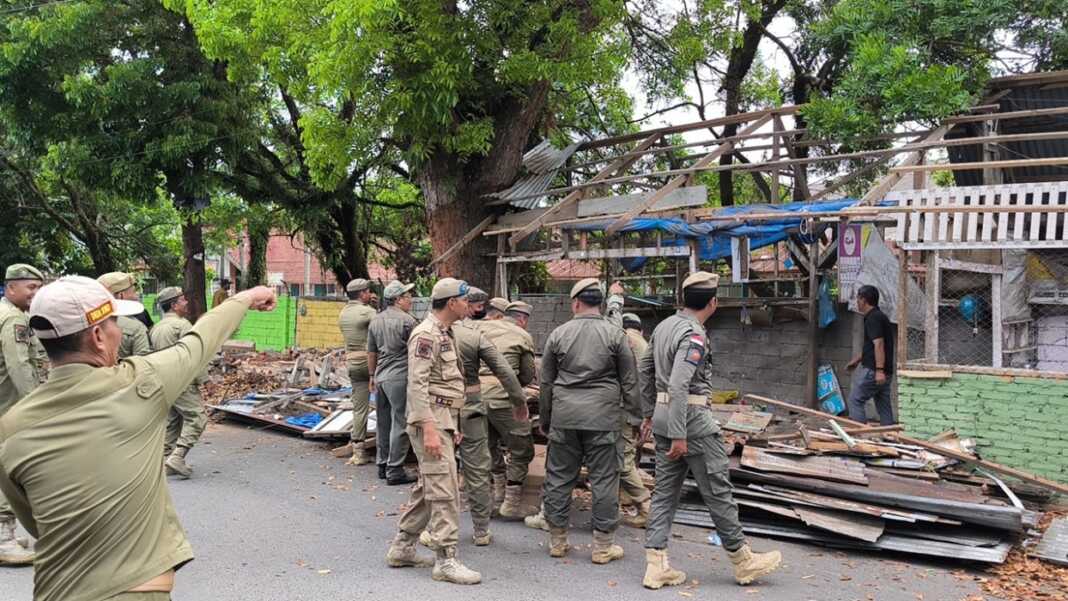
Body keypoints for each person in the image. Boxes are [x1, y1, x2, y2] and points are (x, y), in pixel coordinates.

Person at [0, 276, 276, 601]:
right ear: (99, 336)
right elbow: (202, 339)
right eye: (115, 321)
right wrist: (246, 297)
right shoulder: (140, 384)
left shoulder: (10, 429)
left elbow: (37, 524)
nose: (120, 330)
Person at [639, 271, 781, 589]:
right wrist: (678, 434)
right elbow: (678, 383)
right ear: (713, 303)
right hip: (690, 422)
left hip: (665, 418)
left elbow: (645, 369)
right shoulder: (694, 334)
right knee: (718, 491)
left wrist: (650, 414)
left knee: (663, 493)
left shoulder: (663, 327)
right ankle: (743, 561)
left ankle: (656, 564)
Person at [385, 278, 480, 585]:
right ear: (452, 303)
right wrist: (429, 427)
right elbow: (418, 384)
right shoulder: (426, 334)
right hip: (431, 419)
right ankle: (446, 560)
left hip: (443, 417)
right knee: (445, 489)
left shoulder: (445, 332)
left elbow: (449, 383)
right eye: (465, 301)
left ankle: (402, 547)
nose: (469, 306)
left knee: (430, 485)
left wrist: (454, 426)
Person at [539, 278, 640, 564]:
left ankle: (557, 541)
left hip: (565, 416)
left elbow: (546, 382)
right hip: (604, 418)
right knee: (605, 480)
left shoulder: (558, 334)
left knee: (559, 478)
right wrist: (634, 416)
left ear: (576, 303)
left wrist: (546, 419)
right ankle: (602, 547)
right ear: (601, 304)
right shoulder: (616, 335)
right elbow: (629, 380)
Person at [443, 298, 528, 546]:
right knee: (518, 448)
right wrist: (520, 400)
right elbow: (510, 372)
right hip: (484, 400)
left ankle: (434, 527)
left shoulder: (432, 332)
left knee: (471, 459)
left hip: (447, 406)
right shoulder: (478, 336)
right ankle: (499, 511)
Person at [0, 263, 45, 566]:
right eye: (31, 287)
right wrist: (35, 408)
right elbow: (19, 367)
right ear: (11, 287)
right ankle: (3, 539)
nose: (35, 293)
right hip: (9, 405)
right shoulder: (13, 320)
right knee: (9, 467)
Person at [480, 300, 537, 518]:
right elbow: (527, 374)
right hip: (504, 398)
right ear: (522, 319)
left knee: (488, 445)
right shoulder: (521, 335)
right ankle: (511, 503)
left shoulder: (480, 327)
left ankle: (497, 493)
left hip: (474, 398)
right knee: (522, 448)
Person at [604, 283, 653, 528]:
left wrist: (614, 297)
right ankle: (623, 497)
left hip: (618, 406)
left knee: (621, 458)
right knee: (628, 454)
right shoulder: (646, 346)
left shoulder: (620, 339)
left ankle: (646, 507)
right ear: (641, 330)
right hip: (637, 408)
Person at [149, 287, 208, 479]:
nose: (186, 302)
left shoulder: (156, 329)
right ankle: (178, 456)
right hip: (182, 379)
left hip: (164, 380)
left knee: (173, 420)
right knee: (197, 417)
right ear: (174, 305)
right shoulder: (182, 326)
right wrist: (203, 379)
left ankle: (165, 460)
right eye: (182, 300)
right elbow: (193, 355)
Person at [367, 280, 418, 484]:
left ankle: (382, 464)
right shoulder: (408, 321)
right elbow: (416, 352)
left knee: (383, 421)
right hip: (400, 377)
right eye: (407, 297)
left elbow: (371, 351)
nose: (410, 300)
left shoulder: (375, 321)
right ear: (397, 300)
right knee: (401, 422)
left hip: (381, 377)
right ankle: (395, 469)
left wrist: (372, 376)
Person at [338, 278, 376, 465]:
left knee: (359, 407)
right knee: (385, 406)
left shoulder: (343, 313)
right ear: (362, 294)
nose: (371, 294)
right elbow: (383, 328)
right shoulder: (367, 312)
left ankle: (358, 452)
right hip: (370, 363)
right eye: (369, 291)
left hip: (352, 362)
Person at [846, 285, 896, 425]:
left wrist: (879, 371)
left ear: (864, 300)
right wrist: (858, 359)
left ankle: (861, 436)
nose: (857, 301)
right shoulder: (878, 316)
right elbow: (873, 344)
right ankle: (890, 436)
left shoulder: (873, 318)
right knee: (883, 404)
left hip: (874, 370)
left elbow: (878, 344)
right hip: (885, 371)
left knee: (855, 399)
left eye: (858, 298)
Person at [98, 272, 152, 359]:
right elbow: (143, 366)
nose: (136, 297)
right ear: (121, 295)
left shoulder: (86, 324)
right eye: (134, 292)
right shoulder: (136, 328)